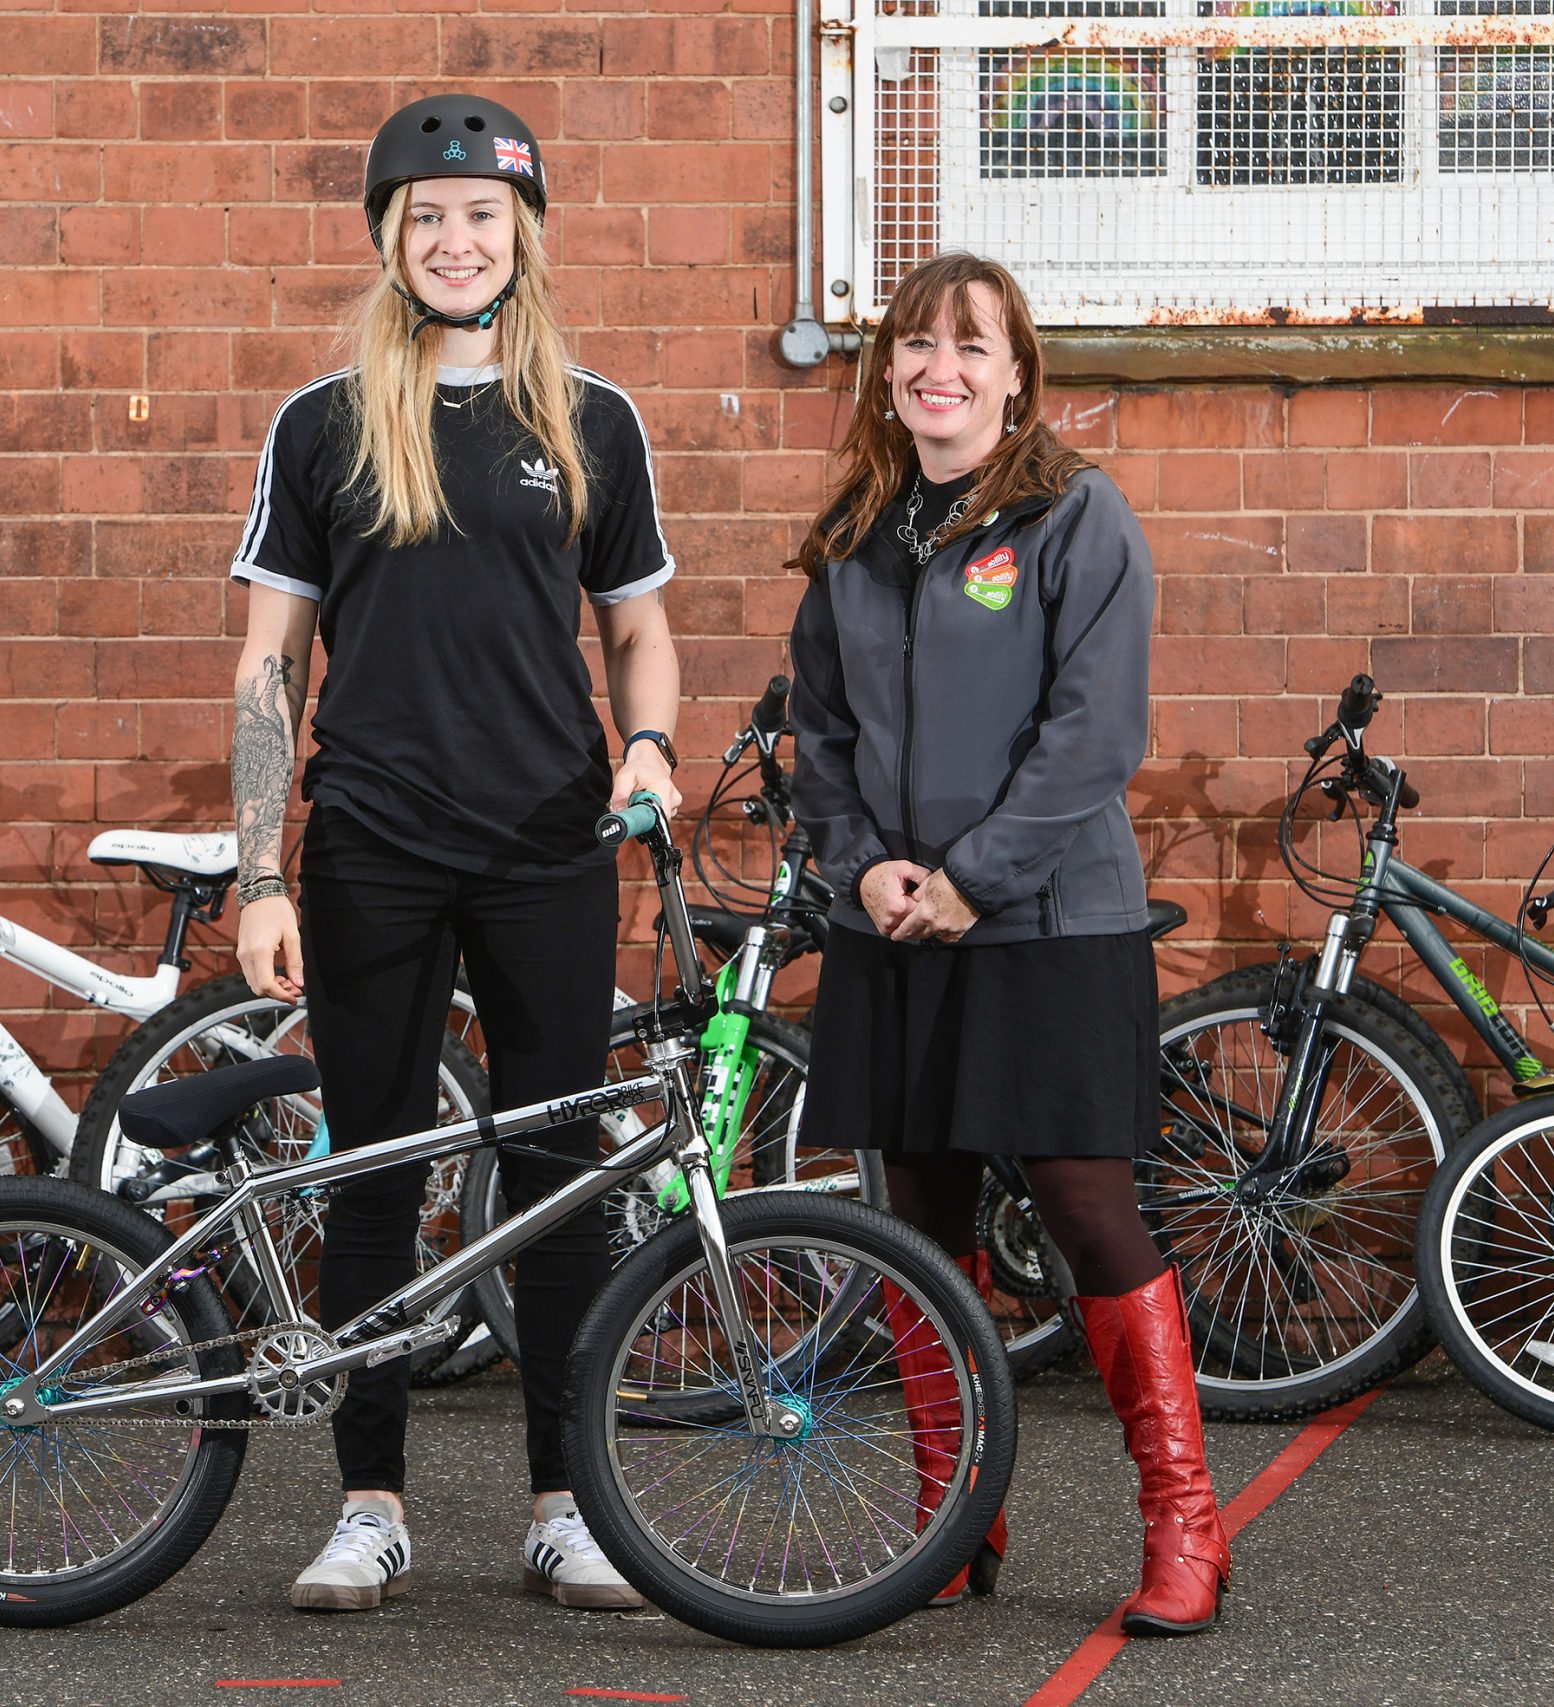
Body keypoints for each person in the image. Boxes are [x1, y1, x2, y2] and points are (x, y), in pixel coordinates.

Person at [225, 92, 682, 1615]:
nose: (456, 238)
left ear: (523, 233)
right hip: (373, 846)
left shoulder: (589, 418)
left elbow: (639, 628)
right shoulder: (325, 422)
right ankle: (371, 1503)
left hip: (550, 841)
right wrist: (261, 872)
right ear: (388, 239)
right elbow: (265, 671)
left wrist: (651, 750)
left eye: (482, 214)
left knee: (557, 1172)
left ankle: (566, 1502)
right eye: (426, 216)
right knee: (369, 1172)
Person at [786, 251, 1227, 1635]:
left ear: (1017, 372)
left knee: (1090, 1205)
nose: (941, 370)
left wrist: (974, 877)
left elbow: (1096, 734)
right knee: (923, 1228)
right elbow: (823, 740)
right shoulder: (855, 535)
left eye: (970, 348)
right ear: (888, 374)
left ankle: (1186, 1529)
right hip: (896, 930)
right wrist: (865, 875)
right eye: (917, 345)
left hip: (1050, 923)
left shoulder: (1076, 519)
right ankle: (954, 1521)